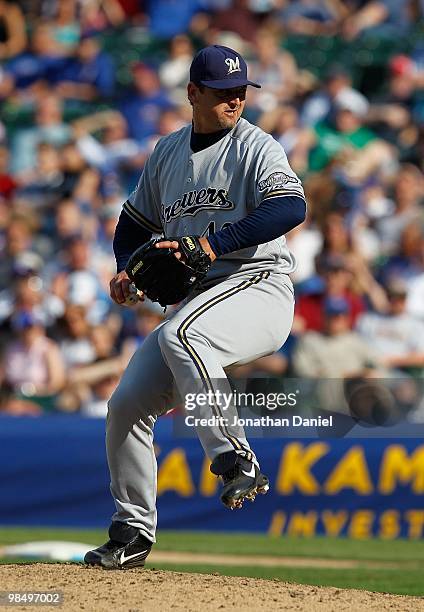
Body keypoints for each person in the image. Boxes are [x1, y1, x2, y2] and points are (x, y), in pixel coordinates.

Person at [84, 45, 306, 569]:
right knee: (126, 407)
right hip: (202, 297)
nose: (234, 100)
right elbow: (134, 223)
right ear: (193, 93)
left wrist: (213, 243)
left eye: (240, 91)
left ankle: (234, 456)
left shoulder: (257, 147)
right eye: (222, 91)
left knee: (181, 335)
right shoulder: (167, 152)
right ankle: (132, 531)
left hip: (259, 284)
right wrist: (124, 268)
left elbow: (291, 206)